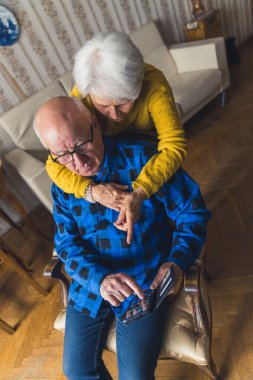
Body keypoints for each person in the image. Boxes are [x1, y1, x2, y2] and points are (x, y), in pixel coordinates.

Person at [34, 97, 210, 380]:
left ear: (95, 124)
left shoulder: (144, 159)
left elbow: (193, 214)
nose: (78, 163)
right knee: (76, 371)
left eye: (82, 145)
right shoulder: (63, 183)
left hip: (144, 281)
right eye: (63, 155)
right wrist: (98, 280)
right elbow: (66, 244)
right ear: (50, 153)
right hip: (91, 284)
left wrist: (176, 262)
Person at [45, 31, 187, 244]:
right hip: (109, 160)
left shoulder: (153, 83)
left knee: (168, 209)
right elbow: (53, 163)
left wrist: (140, 192)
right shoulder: (82, 94)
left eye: (124, 102)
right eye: (103, 106)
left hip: (148, 157)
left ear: (138, 84)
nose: (114, 114)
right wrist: (90, 191)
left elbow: (173, 147)